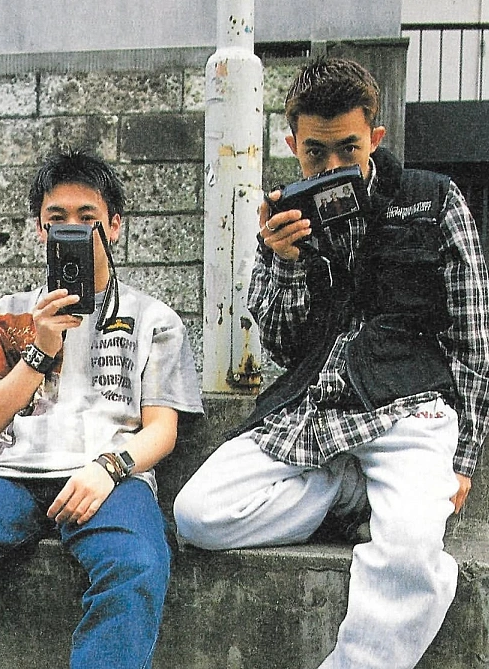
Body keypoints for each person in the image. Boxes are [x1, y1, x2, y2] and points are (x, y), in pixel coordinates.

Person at [173, 57, 489, 669]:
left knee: (410, 554)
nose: (333, 167)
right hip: (312, 411)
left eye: (349, 148)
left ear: (376, 136)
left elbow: (473, 338)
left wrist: (464, 459)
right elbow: (281, 345)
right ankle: (351, 494)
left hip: (411, 409)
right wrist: (284, 262)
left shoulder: (434, 200)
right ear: (293, 145)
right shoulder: (284, 218)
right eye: (316, 153)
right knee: (197, 515)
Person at [0, 147, 203, 669]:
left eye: (87, 217)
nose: (72, 229)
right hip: (7, 475)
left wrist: (109, 468)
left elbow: (162, 429)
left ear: (114, 226)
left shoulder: (153, 317)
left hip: (109, 477)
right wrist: (40, 349)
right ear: (40, 229)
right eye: (57, 218)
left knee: (137, 567)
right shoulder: (11, 312)